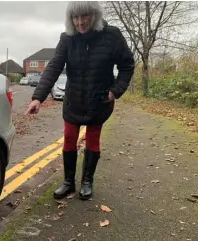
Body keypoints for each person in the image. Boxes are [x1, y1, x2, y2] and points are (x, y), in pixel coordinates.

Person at [25, 1, 134, 200]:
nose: (80, 22)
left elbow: (127, 66)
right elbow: (54, 67)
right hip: (73, 99)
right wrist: (37, 97)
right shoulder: (67, 38)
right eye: (75, 17)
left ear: (95, 16)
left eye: (85, 16)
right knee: (68, 139)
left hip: (99, 100)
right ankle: (68, 182)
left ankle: (87, 182)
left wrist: (115, 91)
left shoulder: (112, 36)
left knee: (92, 139)